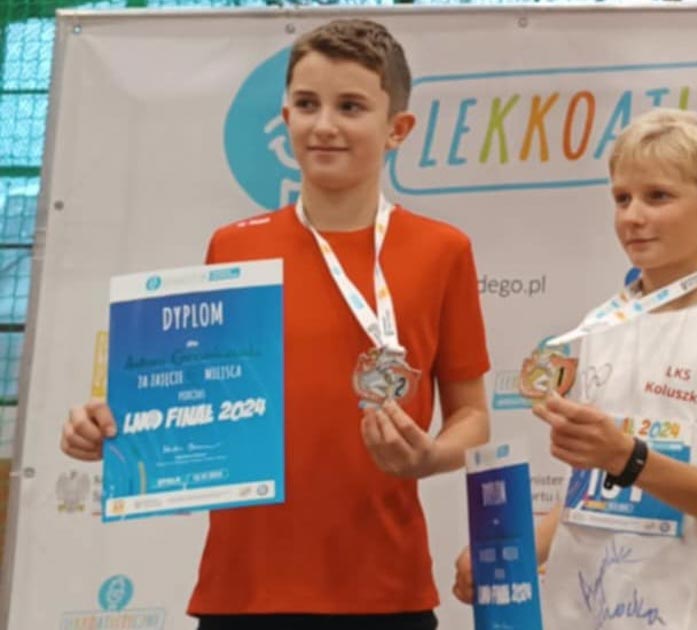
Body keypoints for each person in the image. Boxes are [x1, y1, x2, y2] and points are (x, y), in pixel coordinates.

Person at [59, 19, 491, 630]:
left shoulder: (442, 250)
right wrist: (115, 423)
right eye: (307, 105)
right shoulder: (234, 248)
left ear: (398, 128)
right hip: (244, 589)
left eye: (350, 107)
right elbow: (196, 397)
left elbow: (473, 416)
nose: (324, 125)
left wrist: (431, 456)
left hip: (383, 587)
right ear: (286, 117)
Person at [453, 108, 697, 629]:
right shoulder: (601, 324)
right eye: (622, 198)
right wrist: (512, 551)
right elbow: (587, 492)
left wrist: (627, 457)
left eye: (658, 196)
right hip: (579, 612)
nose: (632, 216)